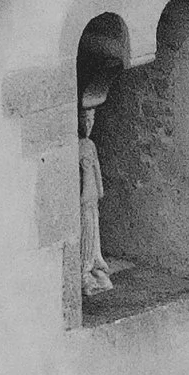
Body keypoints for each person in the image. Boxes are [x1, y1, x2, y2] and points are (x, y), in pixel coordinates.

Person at [77, 80, 120, 300]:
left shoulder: (90, 145)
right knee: (86, 232)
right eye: (85, 120)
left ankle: (95, 263)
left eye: (92, 120)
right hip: (83, 199)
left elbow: (96, 170)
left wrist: (100, 190)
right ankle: (85, 268)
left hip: (92, 198)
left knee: (94, 231)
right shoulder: (78, 147)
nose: (89, 124)